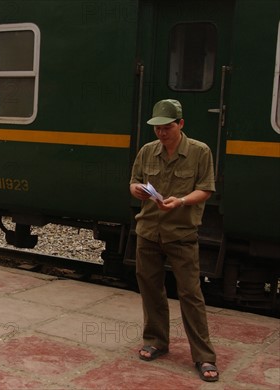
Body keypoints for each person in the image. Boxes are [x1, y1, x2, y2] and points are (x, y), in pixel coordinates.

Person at [129, 99, 219, 382]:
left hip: (181, 235)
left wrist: (180, 201)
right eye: (157, 128)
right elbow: (133, 182)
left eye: (167, 128)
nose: (161, 134)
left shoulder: (199, 152)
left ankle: (204, 356)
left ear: (180, 124)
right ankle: (156, 341)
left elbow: (205, 189)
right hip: (148, 232)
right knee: (151, 288)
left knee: (190, 295)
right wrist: (138, 191)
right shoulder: (147, 151)